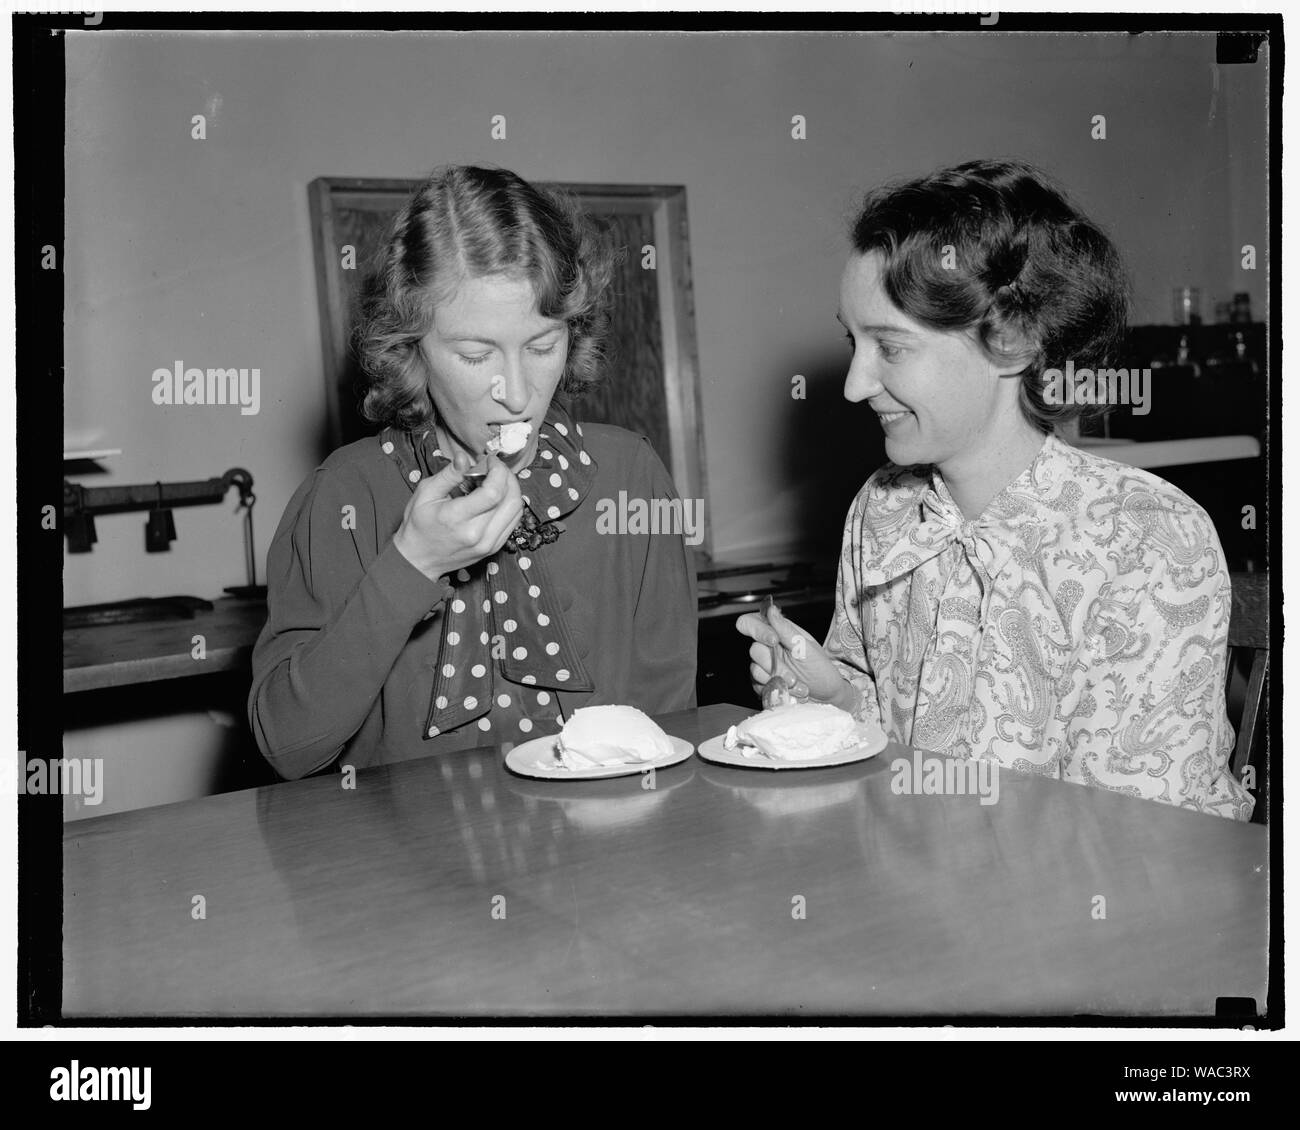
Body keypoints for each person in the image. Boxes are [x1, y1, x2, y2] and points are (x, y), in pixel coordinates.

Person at [738, 159, 1253, 821]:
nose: (854, 385)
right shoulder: (883, 509)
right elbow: (896, 757)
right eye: (852, 340)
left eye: (890, 347)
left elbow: (1144, 835)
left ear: (1011, 342)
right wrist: (832, 699)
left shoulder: (1144, 538)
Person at [250, 165, 697, 780]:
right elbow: (290, 748)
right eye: (474, 354)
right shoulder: (344, 495)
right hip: (403, 869)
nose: (516, 394)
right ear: (410, 348)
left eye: (542, 347)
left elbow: (669, 730)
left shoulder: (630, 476)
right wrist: (410, 566)